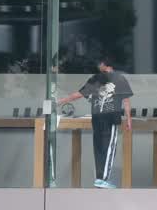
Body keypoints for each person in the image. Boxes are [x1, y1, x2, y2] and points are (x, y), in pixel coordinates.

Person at [55, 56, 133, 189]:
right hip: (110, 118)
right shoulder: (118, 78)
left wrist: (60, 101)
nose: (98, 66)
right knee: (109, 148)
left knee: (99, 149)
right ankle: (103, 179)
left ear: (105, 65)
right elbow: (125, 100)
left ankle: (99, 178)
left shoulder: (97, 79)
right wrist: (129, 118)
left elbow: (77, 95)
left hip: (97, 118)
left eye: (100, 63)